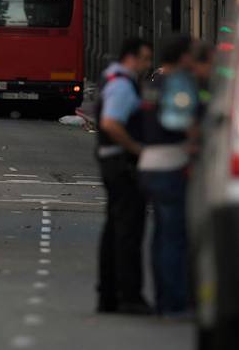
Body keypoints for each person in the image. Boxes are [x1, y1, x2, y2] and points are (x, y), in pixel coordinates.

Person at [138, 35, 197, 317]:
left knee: (162, 234)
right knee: (175, 235)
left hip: (149, 162)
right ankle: (174, 300)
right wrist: (195, 135)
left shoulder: (152, 84)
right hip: (171, 163)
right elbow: (178, 121)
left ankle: (163, 297)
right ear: (183, 57)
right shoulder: (177, 84)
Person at [95, 37, 154, 314]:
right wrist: (137, 148)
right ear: (130, 57)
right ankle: (128, 294)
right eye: (144, 58)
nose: (147, 64)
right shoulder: (121, 84)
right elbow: (110, 122)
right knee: (128, 230)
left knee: (115, 229)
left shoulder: (113, 78)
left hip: (111, 161)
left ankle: (109, 293)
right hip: (122, 164)